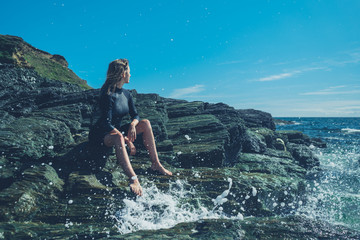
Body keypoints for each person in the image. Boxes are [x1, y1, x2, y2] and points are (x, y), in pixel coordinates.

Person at [89, 59, 172, 196]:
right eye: (129, 72)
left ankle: (156, 164)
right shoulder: (107, 93)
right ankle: (133, 178)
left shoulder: (127, 94)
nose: (131, 75)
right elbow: (105, 122)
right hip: (101, 134)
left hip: (117, 130)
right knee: (118, 137)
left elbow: (136, 115)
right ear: (122, 74)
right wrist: (127, 140)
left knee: (145, 123)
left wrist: (133, 125)